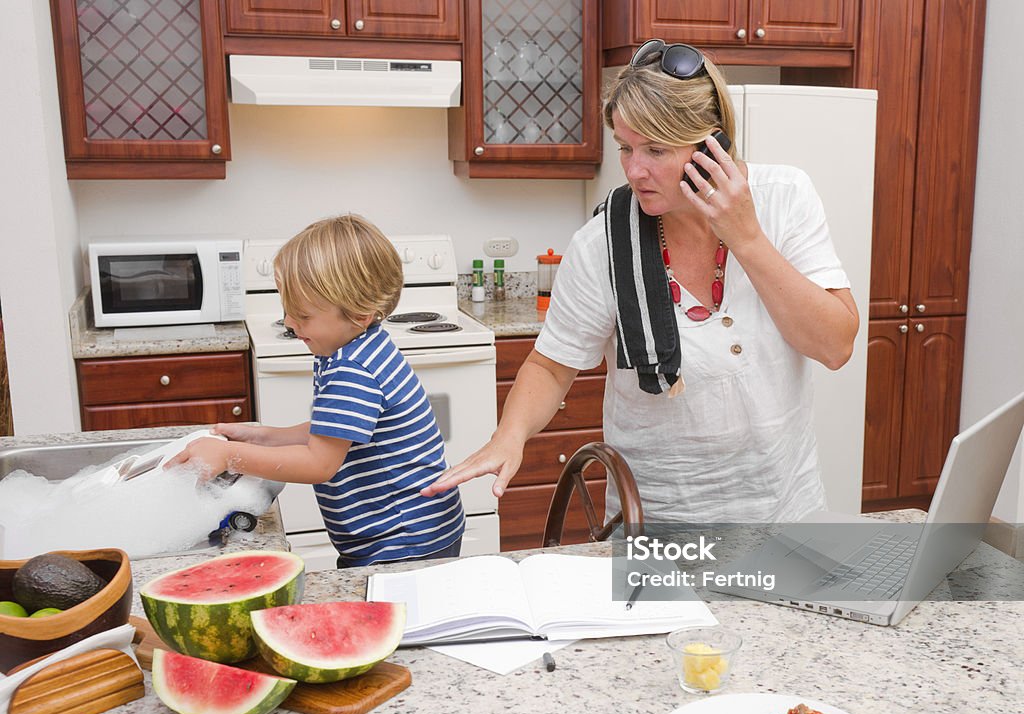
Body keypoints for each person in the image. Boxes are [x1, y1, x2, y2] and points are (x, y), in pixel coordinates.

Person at [424, 40, 858, 524]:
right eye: (626, 148)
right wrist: (509, 435)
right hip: (658, 521)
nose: (634, 170)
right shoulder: (602, 244)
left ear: (713, 145)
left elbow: (834, 346)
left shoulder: (786, 200)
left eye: (656, 149)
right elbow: (549, 368)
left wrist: (748, 240)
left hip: (789, 513)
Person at [168, 214, 465, 565]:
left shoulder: (353, 369)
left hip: (401, 541)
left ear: (359, 313)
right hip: (409, 532)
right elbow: (334, 434)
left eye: (303, 315)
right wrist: (261, 437)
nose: (291, 324)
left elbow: (319, 463)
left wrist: (229, 456)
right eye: (287, 311)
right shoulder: (352, 347)